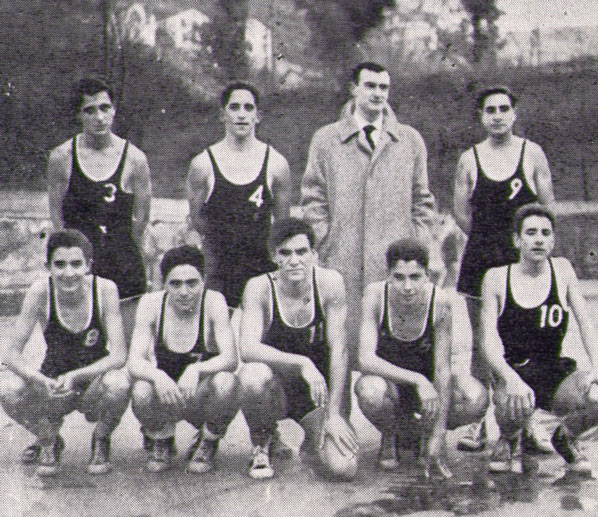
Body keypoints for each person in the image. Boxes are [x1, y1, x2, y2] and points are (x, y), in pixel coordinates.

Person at [301, 61, 435, 359]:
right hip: (342, 258)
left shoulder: (410, 140)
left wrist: (417, 243)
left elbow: (423, 201)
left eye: (384, 87)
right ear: (354, 89)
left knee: (393, 346)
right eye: (370, 86)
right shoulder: (326, 139)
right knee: (340, 346)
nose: (378, 94)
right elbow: (312, 198)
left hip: (396, 262)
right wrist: (326, 239)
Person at [453, 86, 555, 452]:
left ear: (514, 113)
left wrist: (523, 250)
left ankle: (527, 425)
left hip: (521, 263)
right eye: (490, 110)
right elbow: (460, 213)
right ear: (481, 116)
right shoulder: (469, 159)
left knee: (523, 343)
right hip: (481, 262)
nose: (497, 116)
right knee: (482, 344)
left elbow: (547, 209)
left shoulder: (532, 153)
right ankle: (479, 423)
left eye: (503, 109)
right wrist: (489, 241)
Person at [0, 230, 130, 476]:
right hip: (54, 383)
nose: (68, 273)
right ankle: (48, 439)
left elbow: (119, 355)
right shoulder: (40, 292)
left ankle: (101, 438)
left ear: (88, 265)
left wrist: (77, 375)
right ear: (47, 266)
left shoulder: (104, 289)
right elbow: (11, 354)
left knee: (119, 382)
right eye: (59, 264)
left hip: (93, 384)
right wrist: (40, 380)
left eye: (76, 264)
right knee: (7, 389)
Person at [355, 238, 488, 478]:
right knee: (369, 389)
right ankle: (390, 434)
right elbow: (365, 359)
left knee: (475, 397)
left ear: (427, 276)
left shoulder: (439, 301)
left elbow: (442, 369)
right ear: (388, 275)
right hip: (391, 386)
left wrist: (438, 434)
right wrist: (418, 380)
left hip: (428, 394)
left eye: (415, 277)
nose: (407, 286)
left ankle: (424, 434)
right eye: (399, 277)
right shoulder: (375, 296)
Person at [238, 218, 358, 480]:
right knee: (251, 376)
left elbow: (340, 350)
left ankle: (313, 440)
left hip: (318, 392)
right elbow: (247, 348)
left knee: (343, 468)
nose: (295, 261)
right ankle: (262, 440)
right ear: (274, 257)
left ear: (314, 254)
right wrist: (303, 363)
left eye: (302, 252)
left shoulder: (330, 283)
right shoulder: (259, 287)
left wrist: (335, 414)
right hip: (278, 388)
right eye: (286, 253)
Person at [481, 204, 598, 474]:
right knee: (508, 422)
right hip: (514, 371)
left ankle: (565, 437)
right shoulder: (497, 278)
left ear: (553, 240)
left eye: (545, 233)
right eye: (531, 232)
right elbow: (487, 341)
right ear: (517, 239)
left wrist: (596, 366)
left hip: (553, 371)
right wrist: (510, 379)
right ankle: (510, 436)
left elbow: (586, 323)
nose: (538, 239)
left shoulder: (563, 270)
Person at [127, 245, 239, 473]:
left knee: (226, 382)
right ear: (164, 284)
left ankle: (208, 440)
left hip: (200, 396)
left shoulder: (213, 301)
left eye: (192, 283)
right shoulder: (151, 303)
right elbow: (134, 361)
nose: (184, 292)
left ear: (204, 281)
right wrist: (158, 376)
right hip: (167, 395)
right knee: (141, 390)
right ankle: (162, 438)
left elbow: (230, 358)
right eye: (175, 284)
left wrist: (196, 369)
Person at [187, 82, 292, 310]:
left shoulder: (276, 164)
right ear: (222, 115)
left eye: (248, 107)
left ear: (258, 116)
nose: (242, 115)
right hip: (218, 271)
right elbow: (196, 220)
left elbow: (282, 226)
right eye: (234, 107)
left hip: (260, 267)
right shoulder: (202, 164)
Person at [48, 77, 151, 302]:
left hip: (123, 265)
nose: (100, 117)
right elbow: (57, 219)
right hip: (80, 269)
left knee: (125, 325)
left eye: (105, 108)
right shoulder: (62, 157)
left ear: (114, 110)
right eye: (90, 110)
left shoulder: (135, 159)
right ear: (78, 115)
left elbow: (141, 222)